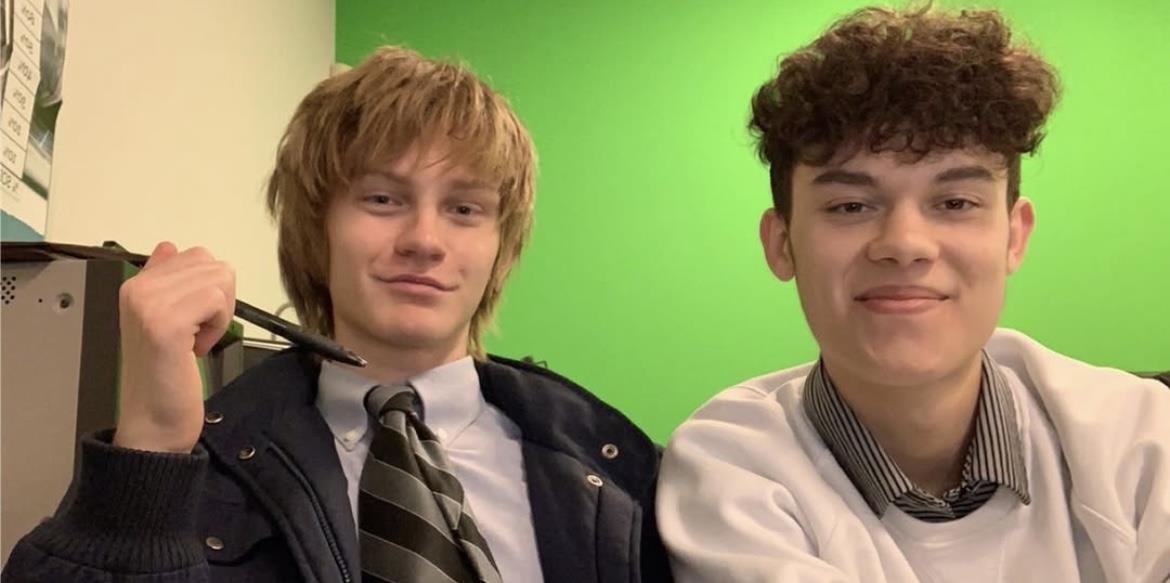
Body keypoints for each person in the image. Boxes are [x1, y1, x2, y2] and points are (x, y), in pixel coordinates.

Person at [4, 46, 671, 583]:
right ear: (313, 229)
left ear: (502, 245)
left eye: (465, 208)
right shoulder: (199, 468)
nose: (425, 239)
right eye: (382, 199)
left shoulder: (618, 471)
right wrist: (148, 449)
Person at [655, 6, 1170, 583]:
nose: (904, 244)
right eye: (850, 206)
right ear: (782, 245)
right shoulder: (732, 469)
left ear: (1014, 236)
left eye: (955, 203)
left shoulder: (1140, 439)